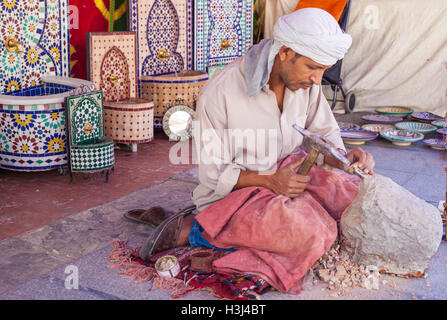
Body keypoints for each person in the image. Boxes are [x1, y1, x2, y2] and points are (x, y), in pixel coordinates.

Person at [140, 8, 375, 291]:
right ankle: (197, 229)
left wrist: (343, 158)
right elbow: (213, 173)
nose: (316, 80)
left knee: (352, 195)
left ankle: (263, 227)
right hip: (237, 193)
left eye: (322, 70)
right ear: (285, 52)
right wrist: (270, 182)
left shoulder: (305, 84)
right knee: (314, 233)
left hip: (287, 174)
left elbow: (324, 134)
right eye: (313, 68)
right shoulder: (222, 91)